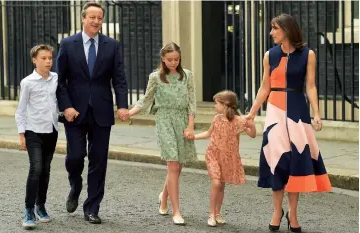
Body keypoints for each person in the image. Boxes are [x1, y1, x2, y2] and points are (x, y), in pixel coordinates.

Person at [245, 13, 332, 232]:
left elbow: (310, 86)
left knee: (296, 161)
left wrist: (317, 113)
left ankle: (293, 213)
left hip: (297, 110)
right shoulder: (269, 55)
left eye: (275, 28)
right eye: (271, 28)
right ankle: (277, 211)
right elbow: (265, 87)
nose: (271, 32)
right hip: (274, 111)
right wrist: (252, 113)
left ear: (286, 29)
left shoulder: (307, 54)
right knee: (276, 161)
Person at [56, 2, 129, 224]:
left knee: (99, 160)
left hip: (102, 110)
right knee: (75, 156)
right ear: (83, 18)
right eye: (92, 17)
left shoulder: (112, 45)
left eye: (100, 18)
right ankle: (75, 186)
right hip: (74, 112)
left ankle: (92, 207)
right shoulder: (68, 44)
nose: (96, 21)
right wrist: (66, 106)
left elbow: (119, 77)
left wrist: (123, 104)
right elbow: (59, 81)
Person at [128, 42, 197, 225]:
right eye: (169, 60)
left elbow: (192, 102)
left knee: (178, 166)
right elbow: (146, 99)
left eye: (176, 59)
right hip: (164, 120)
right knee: (173, 164)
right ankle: (177, 211)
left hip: (182, 120)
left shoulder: (187, 75)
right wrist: (129, 113)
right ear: (163, 59)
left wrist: (190, 126)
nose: (173, 62)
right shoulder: (155, 77)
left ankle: (164, 197)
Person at [193, 90, 256, 227]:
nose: (214, 106)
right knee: (216, 183)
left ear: (225, 104)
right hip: (213, 155)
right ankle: (211, 214)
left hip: (227, 157)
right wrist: (194, 136)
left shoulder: (238, 121)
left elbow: (252, 135)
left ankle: (217, 213)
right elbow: (209, 133)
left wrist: (252, 125)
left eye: (216, 103)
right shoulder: (216, 119)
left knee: (221, 186)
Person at [15, 44, 58, 229]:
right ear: (34, 60)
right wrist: (21, 134)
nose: (48, 61)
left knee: (46, 170)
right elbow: (21, 110)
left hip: (52, 131)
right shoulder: (27, 82)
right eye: (44, 58)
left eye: (50, 58)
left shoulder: (56, 78)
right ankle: (28, 210)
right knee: (36, 168)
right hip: (33, 131)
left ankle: (41, 205)